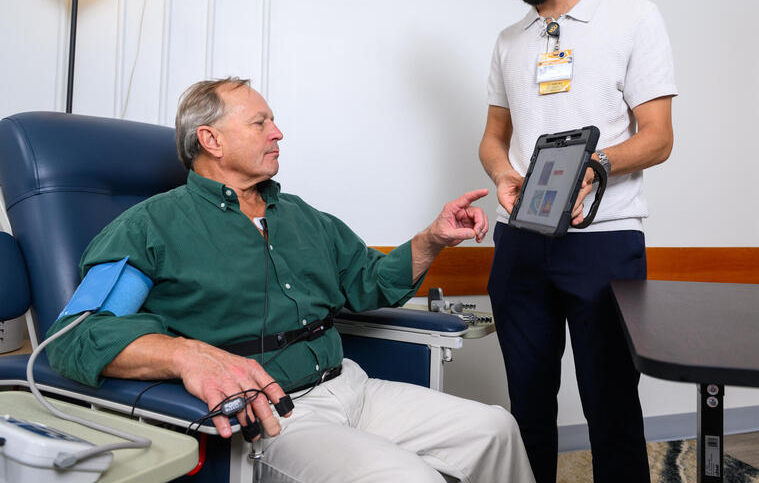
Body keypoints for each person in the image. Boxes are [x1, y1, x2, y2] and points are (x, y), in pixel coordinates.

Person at [45, 77, 535, 483]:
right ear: (211, 140)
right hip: (275, 415)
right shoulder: (150, 226)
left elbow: (369, 282)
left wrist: (433, 238)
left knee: (495, 428)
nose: (277, 132)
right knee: (409, 479)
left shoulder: (300, 216)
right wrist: (183, 353)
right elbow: (76, 335)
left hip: (352, 387)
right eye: (260, 122)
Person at [478, 0, 677, 483]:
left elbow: (659, 137)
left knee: (612, 410)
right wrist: (503, 174)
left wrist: (597, 167)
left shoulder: (634, 17)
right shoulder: (509, 41)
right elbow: (491, 138)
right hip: (520, 241)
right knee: (528, 412)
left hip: (603, 240)